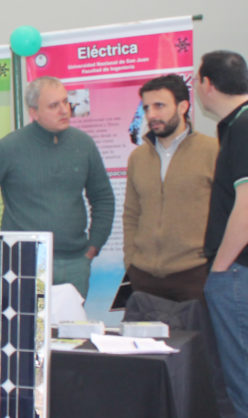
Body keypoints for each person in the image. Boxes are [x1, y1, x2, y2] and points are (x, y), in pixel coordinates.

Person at [0, 76, 114, 298]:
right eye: (54, 105)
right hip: (26, 263)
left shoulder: (84, 144)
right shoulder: (10, 147)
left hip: (75, 262)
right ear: (34, 112)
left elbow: (103, 197)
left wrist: (94, 245)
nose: (64, 110)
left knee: (68, 331)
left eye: (65, 102)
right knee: (29, 331)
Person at [123, 74, 218, 301]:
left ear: (183, 106)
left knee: (195, 338)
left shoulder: (213, 151)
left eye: (160, 106)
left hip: (194, 276)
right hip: (143, 278)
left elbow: (227, 212)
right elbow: (131, 214)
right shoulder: (137, 157)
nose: (152, 115)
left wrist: (213, 264)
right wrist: (131, 260)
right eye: (146, 108)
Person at [197, 49, 248, 417]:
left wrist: (220, 269)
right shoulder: (236, 125)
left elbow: (245, 209)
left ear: (207, 84)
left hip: (237, 272)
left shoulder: (244, 126)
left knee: (239, 378)